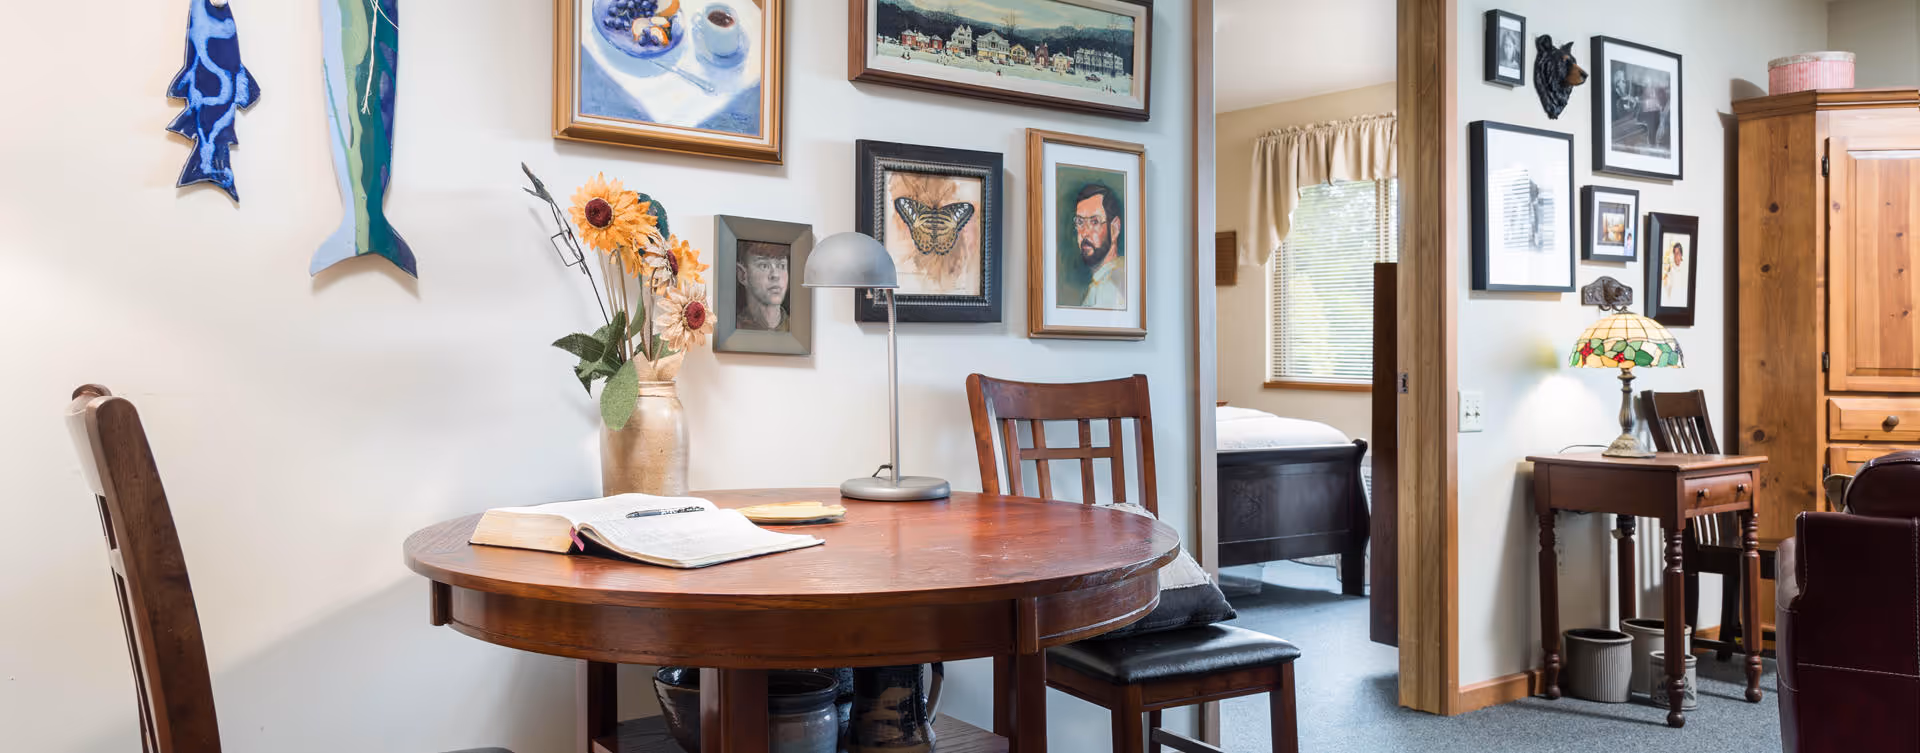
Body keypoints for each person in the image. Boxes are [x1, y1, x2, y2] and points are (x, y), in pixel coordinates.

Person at [1071, 184, 1125, 310]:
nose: (1084, 232)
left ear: (1115, 228)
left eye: (1094, 222)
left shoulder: (1110, 287)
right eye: (1080, 222)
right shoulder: (1100, 282)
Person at [735, 242, 789, 332]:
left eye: (781, 266)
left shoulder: (799, 328)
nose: (775, 275)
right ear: (742, 275)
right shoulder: (732, 327)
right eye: (764, 266)